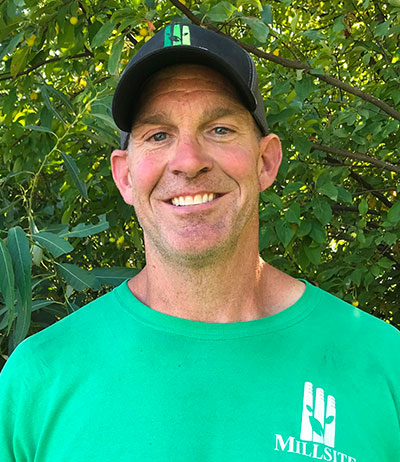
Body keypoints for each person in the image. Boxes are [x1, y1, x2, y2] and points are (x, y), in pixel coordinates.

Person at [0, 22, 399, 462]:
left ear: (266, 161)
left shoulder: (382, 363)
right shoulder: (37, 379)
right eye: (158, 135)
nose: (188, 162)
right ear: (125, 175)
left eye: (220, 129)